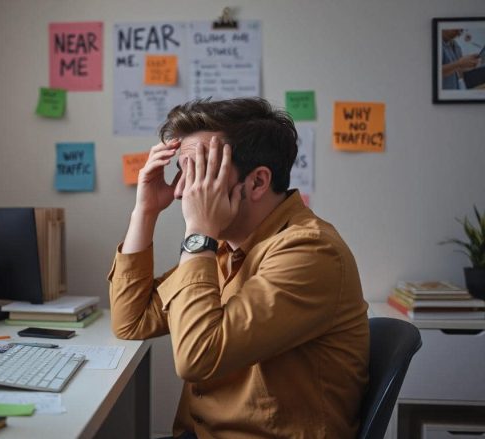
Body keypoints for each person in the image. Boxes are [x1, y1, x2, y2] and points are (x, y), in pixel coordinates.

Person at [108, 98, 369, 438]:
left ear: (258, 182)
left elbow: (196, 358)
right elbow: (132, 321)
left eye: (201, 172)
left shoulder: (310, 251)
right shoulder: (225, 249)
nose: (182, 191)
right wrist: (144, 212)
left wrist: (199, 232)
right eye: (183, 173)